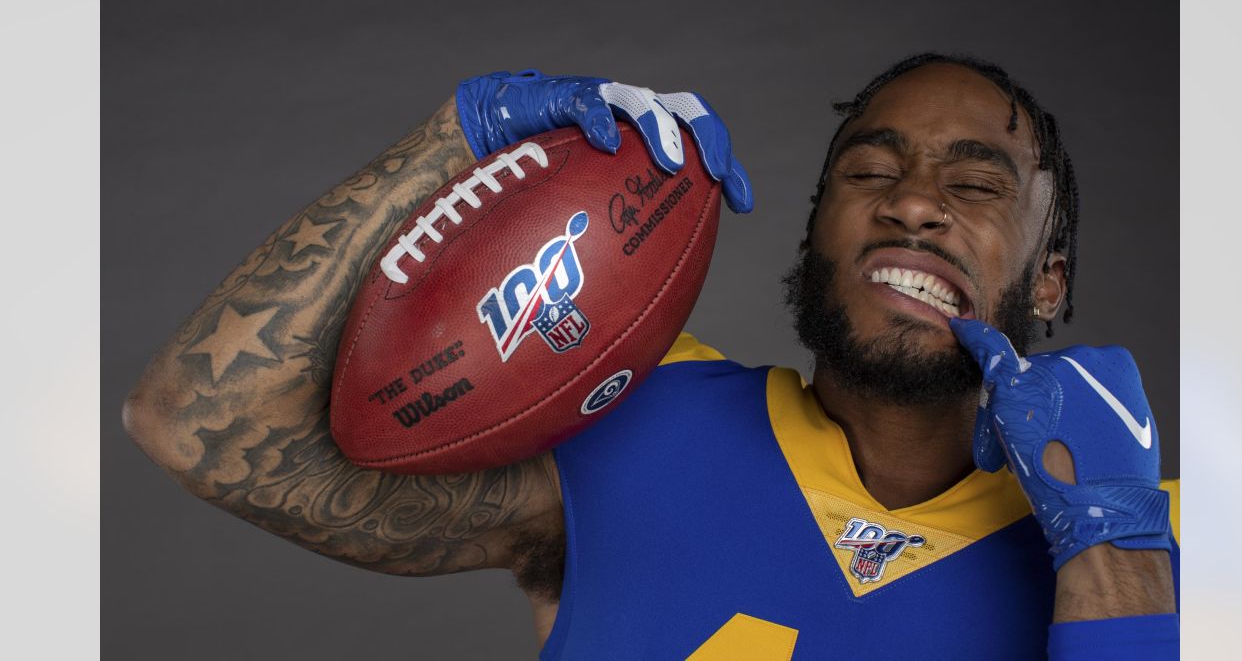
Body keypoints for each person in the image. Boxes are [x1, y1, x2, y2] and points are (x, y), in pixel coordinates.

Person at [123, 53, 1179, 659]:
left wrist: (1112, 549)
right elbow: (196, 430)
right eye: (870, 172)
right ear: (814, 232)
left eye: (975, 184)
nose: (909, 203)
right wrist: (458, 139)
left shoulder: (1186, 540)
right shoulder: (627, 416)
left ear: (1049, 276)